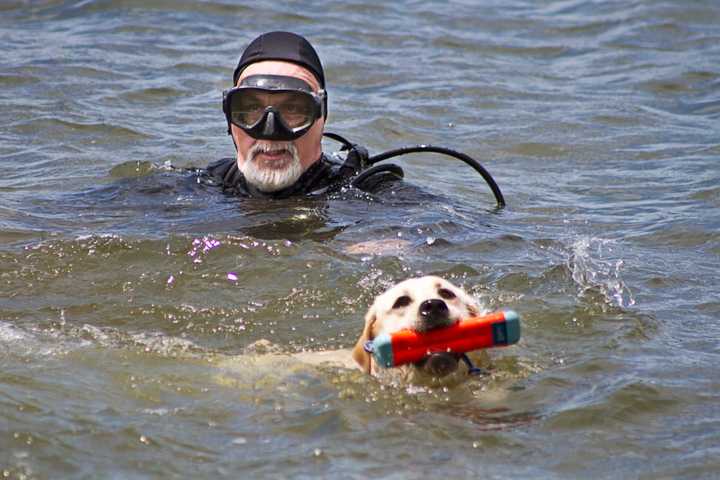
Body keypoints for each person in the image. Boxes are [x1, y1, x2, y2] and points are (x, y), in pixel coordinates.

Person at [203, 31, 390, 198]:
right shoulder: (208, 183)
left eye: (292, 109)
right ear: (230, 120)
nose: (271, 131)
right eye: (253, 109)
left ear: (321, 117)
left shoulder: (365, 193)